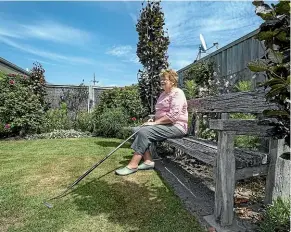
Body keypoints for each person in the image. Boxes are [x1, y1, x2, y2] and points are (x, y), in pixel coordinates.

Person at [115, 69, 188, 176]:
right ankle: (148, 161)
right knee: (136, 129)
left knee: (144, 132)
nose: (162, 81)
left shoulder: (178, 93)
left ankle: (133, 165)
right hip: (165, 125)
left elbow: (173, 116)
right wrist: (153, 119)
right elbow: (161, 112)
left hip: (177, 126)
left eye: (165, 79)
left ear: (172, 81)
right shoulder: (163, 94)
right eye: (161, 79)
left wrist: (155, 123)